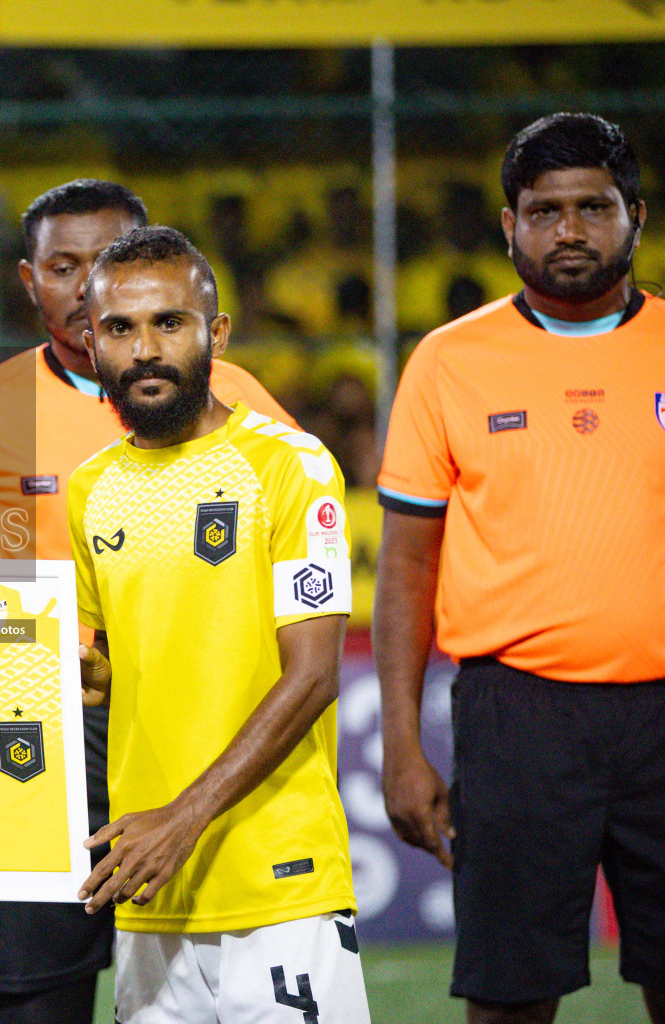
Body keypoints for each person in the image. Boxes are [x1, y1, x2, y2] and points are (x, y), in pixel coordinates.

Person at [0, 178, 297, 1024]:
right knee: (39, 1005)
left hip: (195, 737)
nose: (87, 289)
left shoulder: (242, 406)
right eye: (62, 266)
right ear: (27, 279)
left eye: (107, 263)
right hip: (28, 744)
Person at [376, 113, 665, 1024]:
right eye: (544, 211)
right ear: (509, 226)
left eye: (593, 207)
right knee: (509, 998)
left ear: (636, 217)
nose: (569, 230)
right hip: (518, 719)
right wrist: (399, 745)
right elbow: (407, 568)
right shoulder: (447, 362)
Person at [68, 226, 367, 1023]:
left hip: (277, 881)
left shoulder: (289, 468)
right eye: (120, 329)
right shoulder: (89, 488)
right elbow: (111, 670)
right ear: (88, 341)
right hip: (148, 884)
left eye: (169, 323)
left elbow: (312, 676)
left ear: (217, 333)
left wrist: (182, 820)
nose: (144, 351)